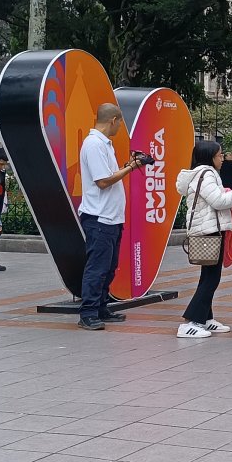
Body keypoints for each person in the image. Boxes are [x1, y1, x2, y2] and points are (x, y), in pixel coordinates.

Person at [76, 104, 144, 330]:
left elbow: (107, 176)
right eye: (120, 122)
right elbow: (103, 181)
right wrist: (132, 167)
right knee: (97, 266)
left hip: (110, 217)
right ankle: (88, 312)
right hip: (99, 217)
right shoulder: (94, 144)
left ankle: (101, 306)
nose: (120, 127)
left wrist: (127, 167)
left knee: (109, 266)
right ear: (113, 120)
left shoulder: (104, 144)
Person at [175, 141, 232, 339]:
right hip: (209, 231)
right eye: (220, 155)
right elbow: (218, 201)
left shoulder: (202, 174)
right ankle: (190, 322)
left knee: (208, 276)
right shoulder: (206, 174)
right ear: (210, 157)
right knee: (211, 278)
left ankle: (205, 318)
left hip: (209, 229)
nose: (222, 159)